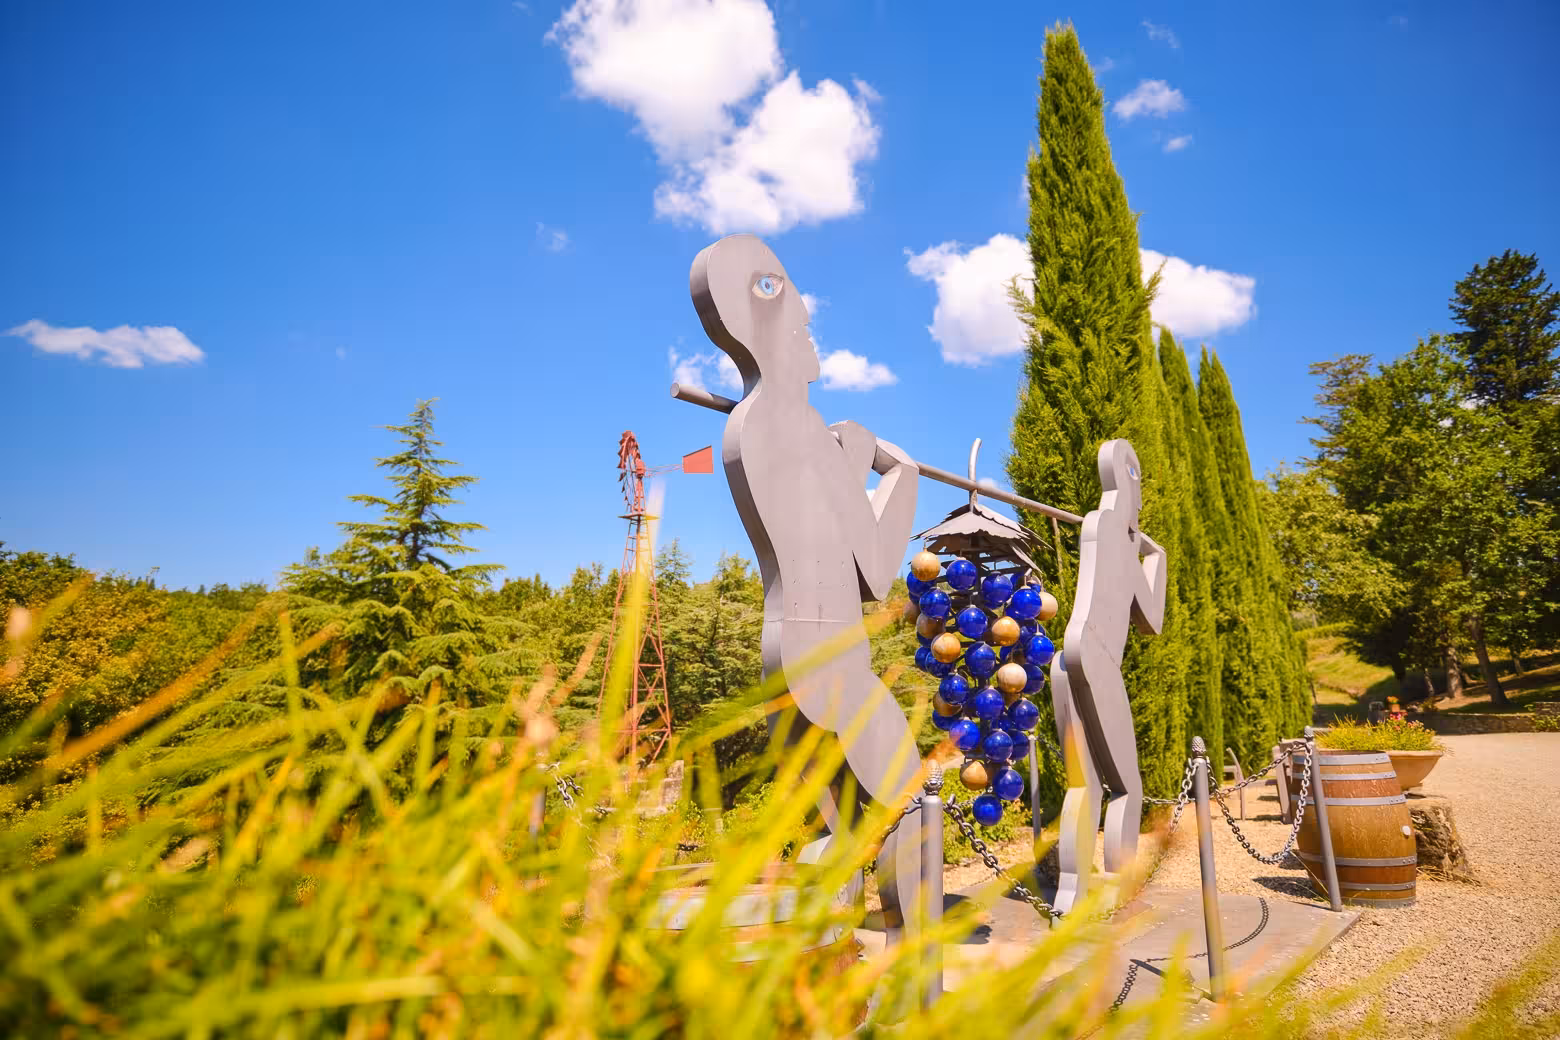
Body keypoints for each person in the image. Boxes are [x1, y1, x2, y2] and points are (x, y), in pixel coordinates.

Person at [690, 233, 926, 944]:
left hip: (785, 658)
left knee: (848, 825)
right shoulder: (801, 427)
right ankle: (919, 974)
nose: (805, 317)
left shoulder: (750, 424)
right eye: (787, 300)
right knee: (917, 805)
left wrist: (842, 461)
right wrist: (895, 471)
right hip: (835, 659)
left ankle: (831, 965)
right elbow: (875, 568)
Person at [1050, 439, 1166, 914]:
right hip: (1097, 659)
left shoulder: (1100, 524)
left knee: (1085, 786)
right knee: (1128, 789)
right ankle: (1122, 893)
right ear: (1128, 478)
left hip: (1065, 661)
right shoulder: (1121, 535)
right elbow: (1153, 619)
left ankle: (1069, 899)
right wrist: (1156, 556)